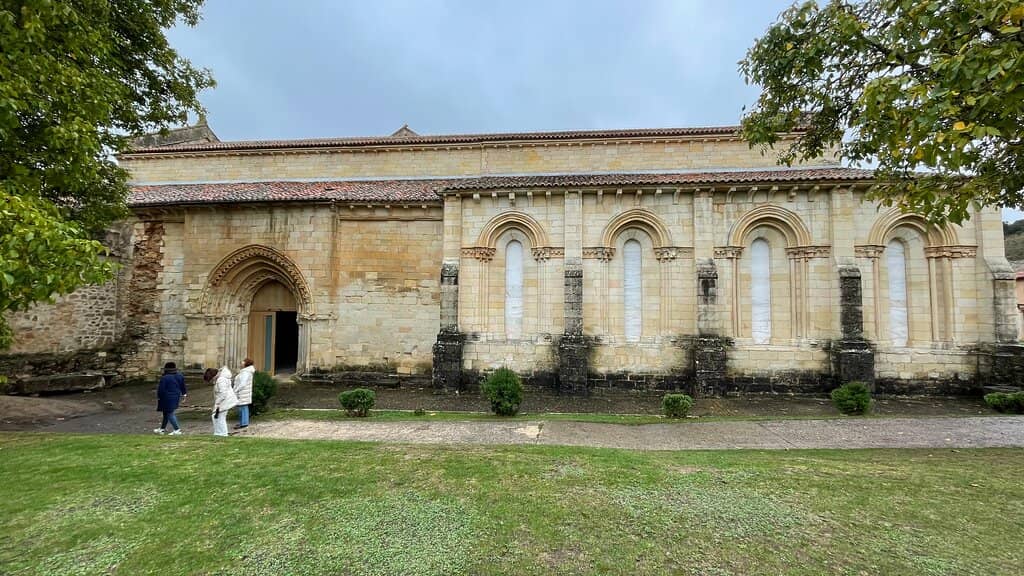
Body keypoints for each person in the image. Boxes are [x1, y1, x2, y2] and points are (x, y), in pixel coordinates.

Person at [154, 361, 187, 435]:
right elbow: (183, 386)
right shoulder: (180, 375)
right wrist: (184, 395)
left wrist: (159, 397)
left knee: (169, 413)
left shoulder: (165, 377)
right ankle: (162, 429)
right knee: (166, 413)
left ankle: (177, 429)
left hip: (166, 397)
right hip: (176, 396)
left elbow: (161, 389)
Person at [206, 366, 238, 437]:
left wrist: (217, 403)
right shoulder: (220, 378)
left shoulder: (221, 380)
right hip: (224, 400)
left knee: (220, 417)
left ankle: (223, 433)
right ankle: (219, 432)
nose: (211, 381)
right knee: (216, 416)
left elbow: (223, 393)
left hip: (225, 400)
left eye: (210, 379)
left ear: (212, 376)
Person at [232, 357, 255, 429]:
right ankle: (243, 422)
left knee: (243, 407)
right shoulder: (245, 371)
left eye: (243, 361)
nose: (242, 362)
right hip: (243, 392)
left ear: (246, 363)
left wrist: (235, 390)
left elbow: (243, 383)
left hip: (242, 392)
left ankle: (244, 423)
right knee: (242, 407)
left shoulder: (246, 372)